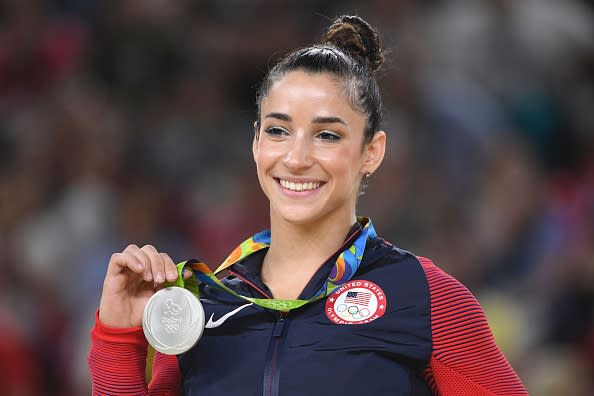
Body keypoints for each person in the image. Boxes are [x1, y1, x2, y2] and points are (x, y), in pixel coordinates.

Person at [88, 15, 528, 395]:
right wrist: (120, 338)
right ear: (256, 143)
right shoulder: (202, 304)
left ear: (371, 153)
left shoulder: (425, 296)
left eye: (327, 135)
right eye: (278, 131)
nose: (296, 159)